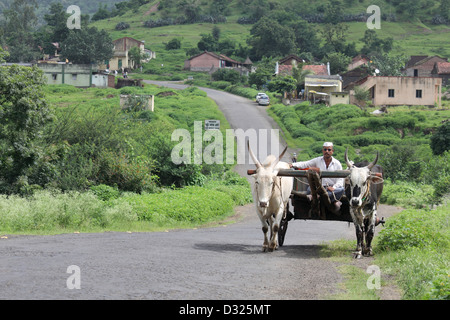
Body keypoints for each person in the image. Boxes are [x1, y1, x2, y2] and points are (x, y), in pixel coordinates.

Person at [289, 142, 344, 213]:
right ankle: (325, 198)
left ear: (332, 151)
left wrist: (334, 187)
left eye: (329, 150)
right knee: (309, 188)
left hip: (331, 190)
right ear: (322, 151)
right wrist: (292, 164)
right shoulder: (318, 160)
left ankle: (316, 196)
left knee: (341, 189)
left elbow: (340, 180)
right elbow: (305, 164)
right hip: (319, 187)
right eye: (325, 149)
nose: (327, 151)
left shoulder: (337, 164)